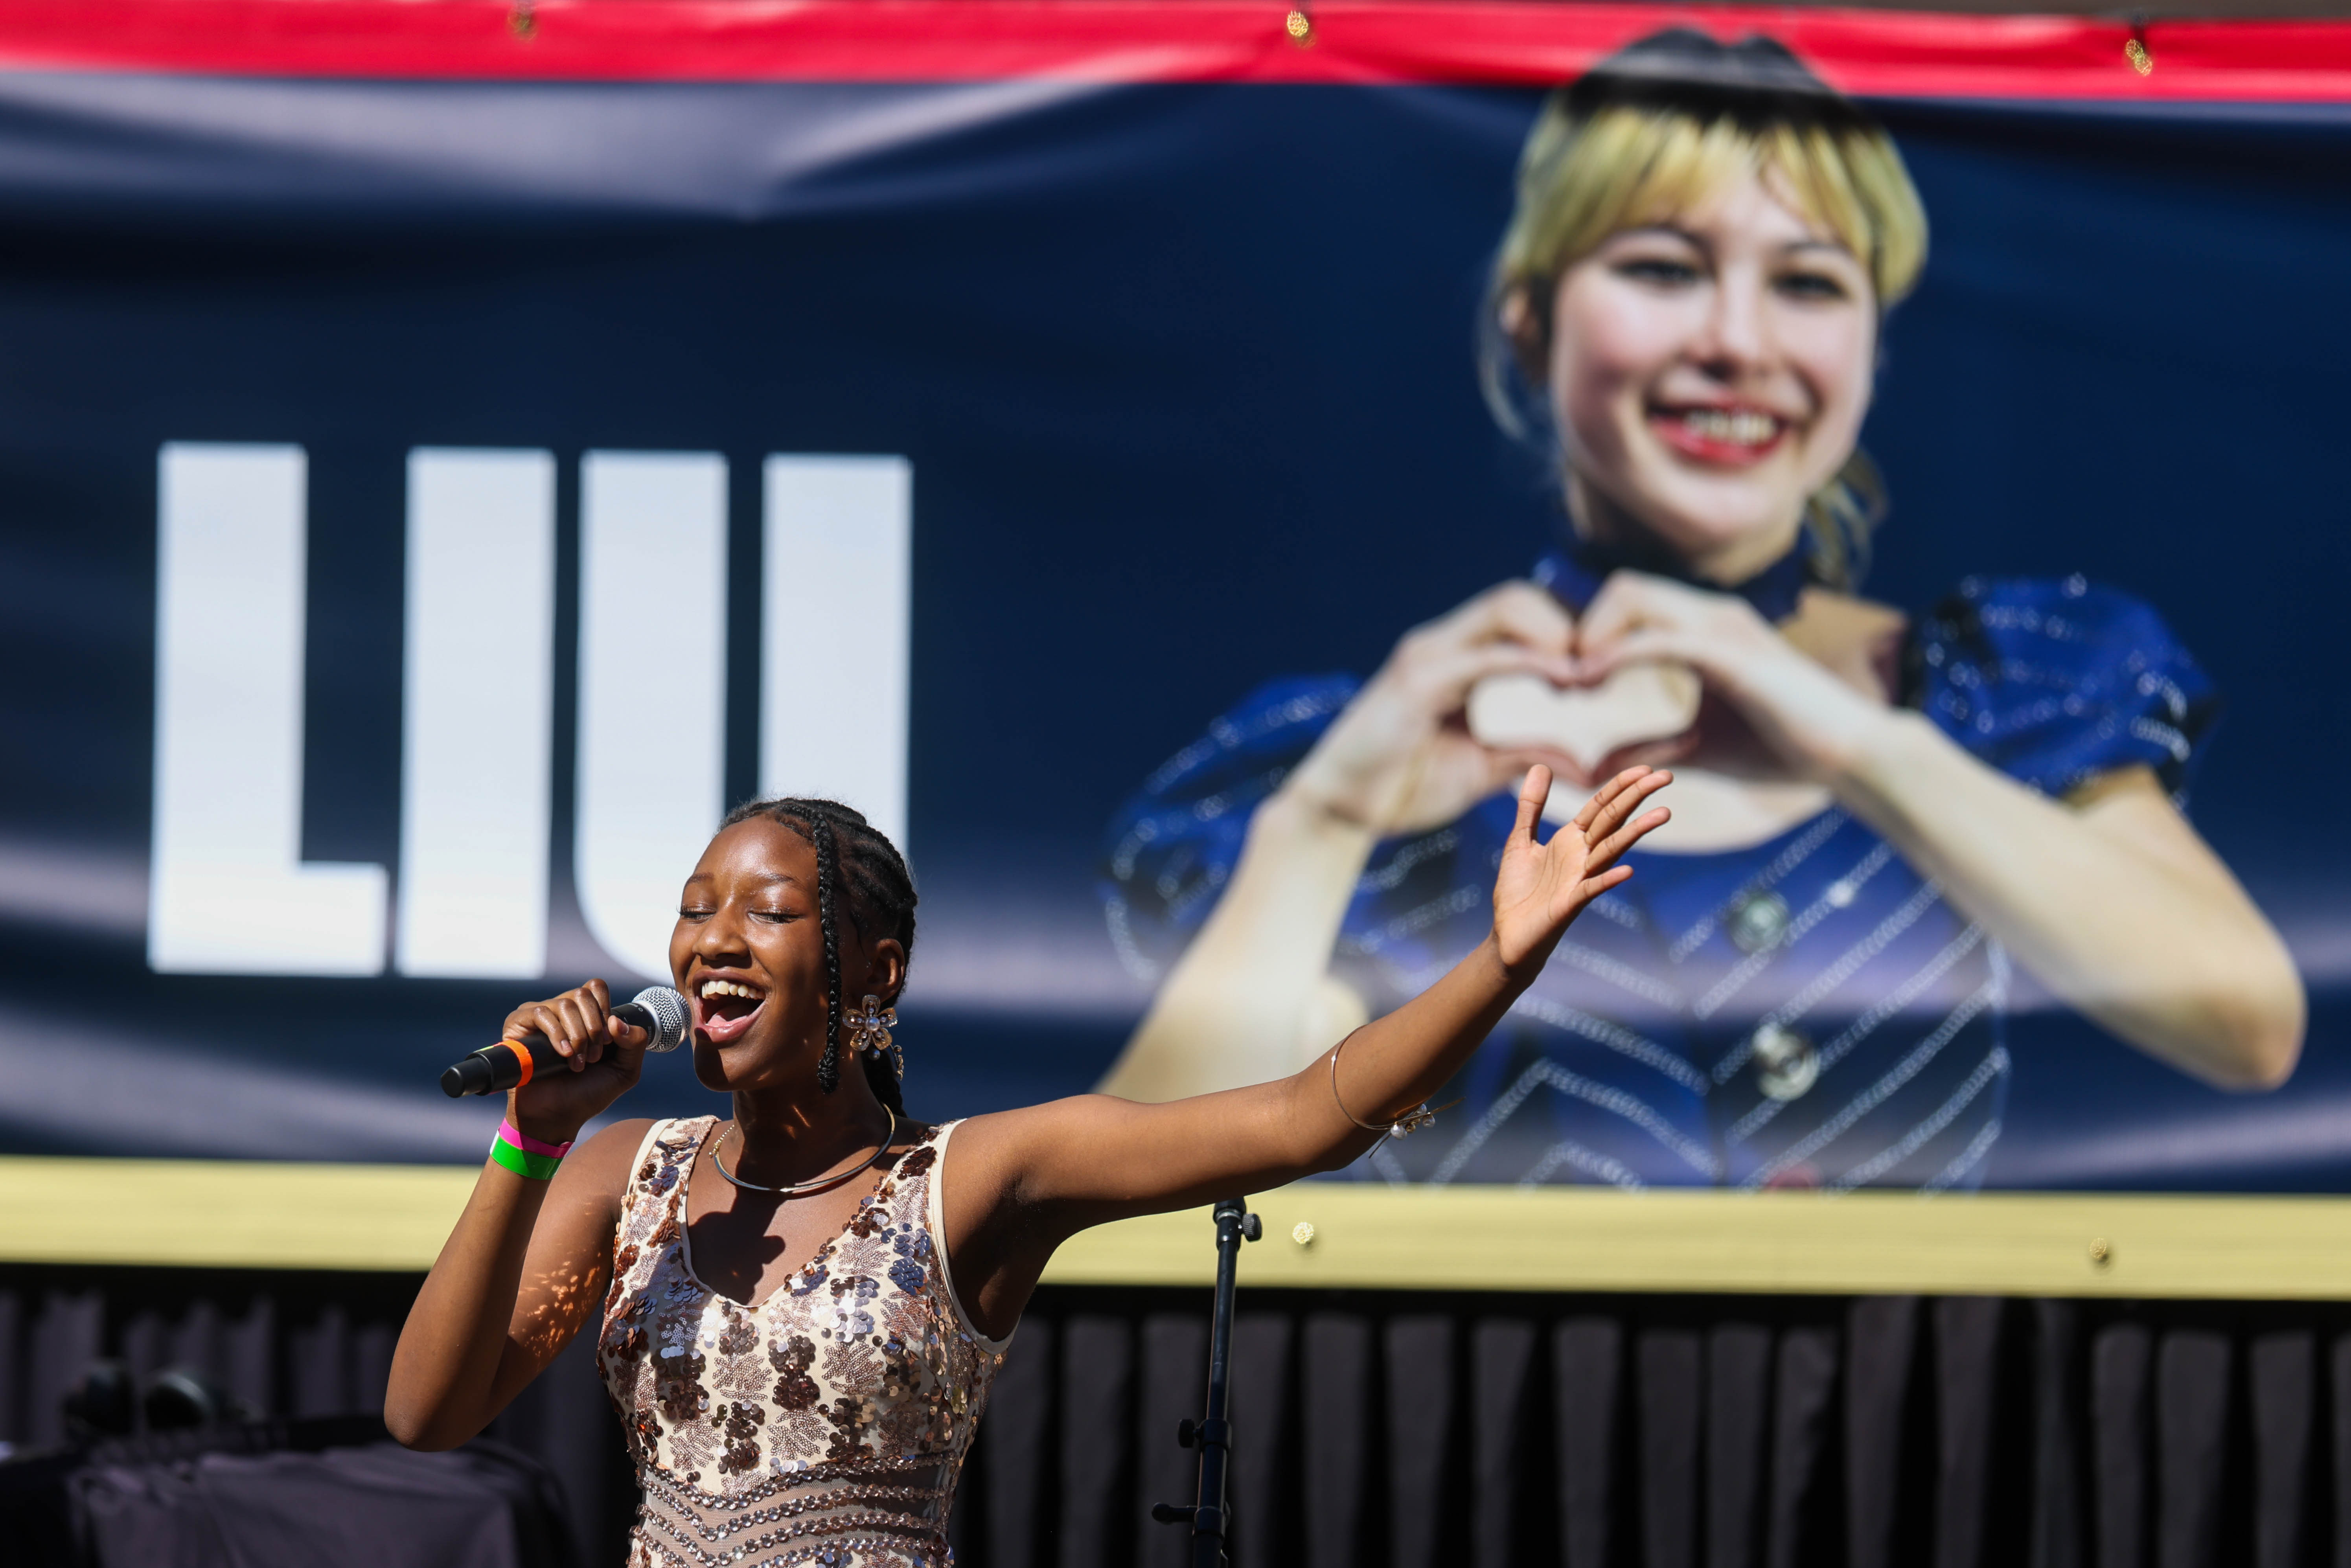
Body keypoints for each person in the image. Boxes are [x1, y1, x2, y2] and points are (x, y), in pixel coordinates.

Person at [1096, 29, 2303, 1193]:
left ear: (1873, 346)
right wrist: (1325, 819)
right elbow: (1130, 1200)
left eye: (1808, 282)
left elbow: (2247, 1027)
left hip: (1919, 1395)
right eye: (1664, 269)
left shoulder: (1995, 685)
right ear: (1530, 321)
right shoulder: (1361, 754)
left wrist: (1848, 735)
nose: (1736, 341)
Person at [387, 775, 1673, 1567]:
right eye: (695, 908)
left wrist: (1499, 962)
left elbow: (1305, 1115)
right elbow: (427, 1416)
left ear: (874, 971)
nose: (713, 939)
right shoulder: (624, 1171)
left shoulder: (973, 1182)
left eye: (768, 913)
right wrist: (533, 1137)